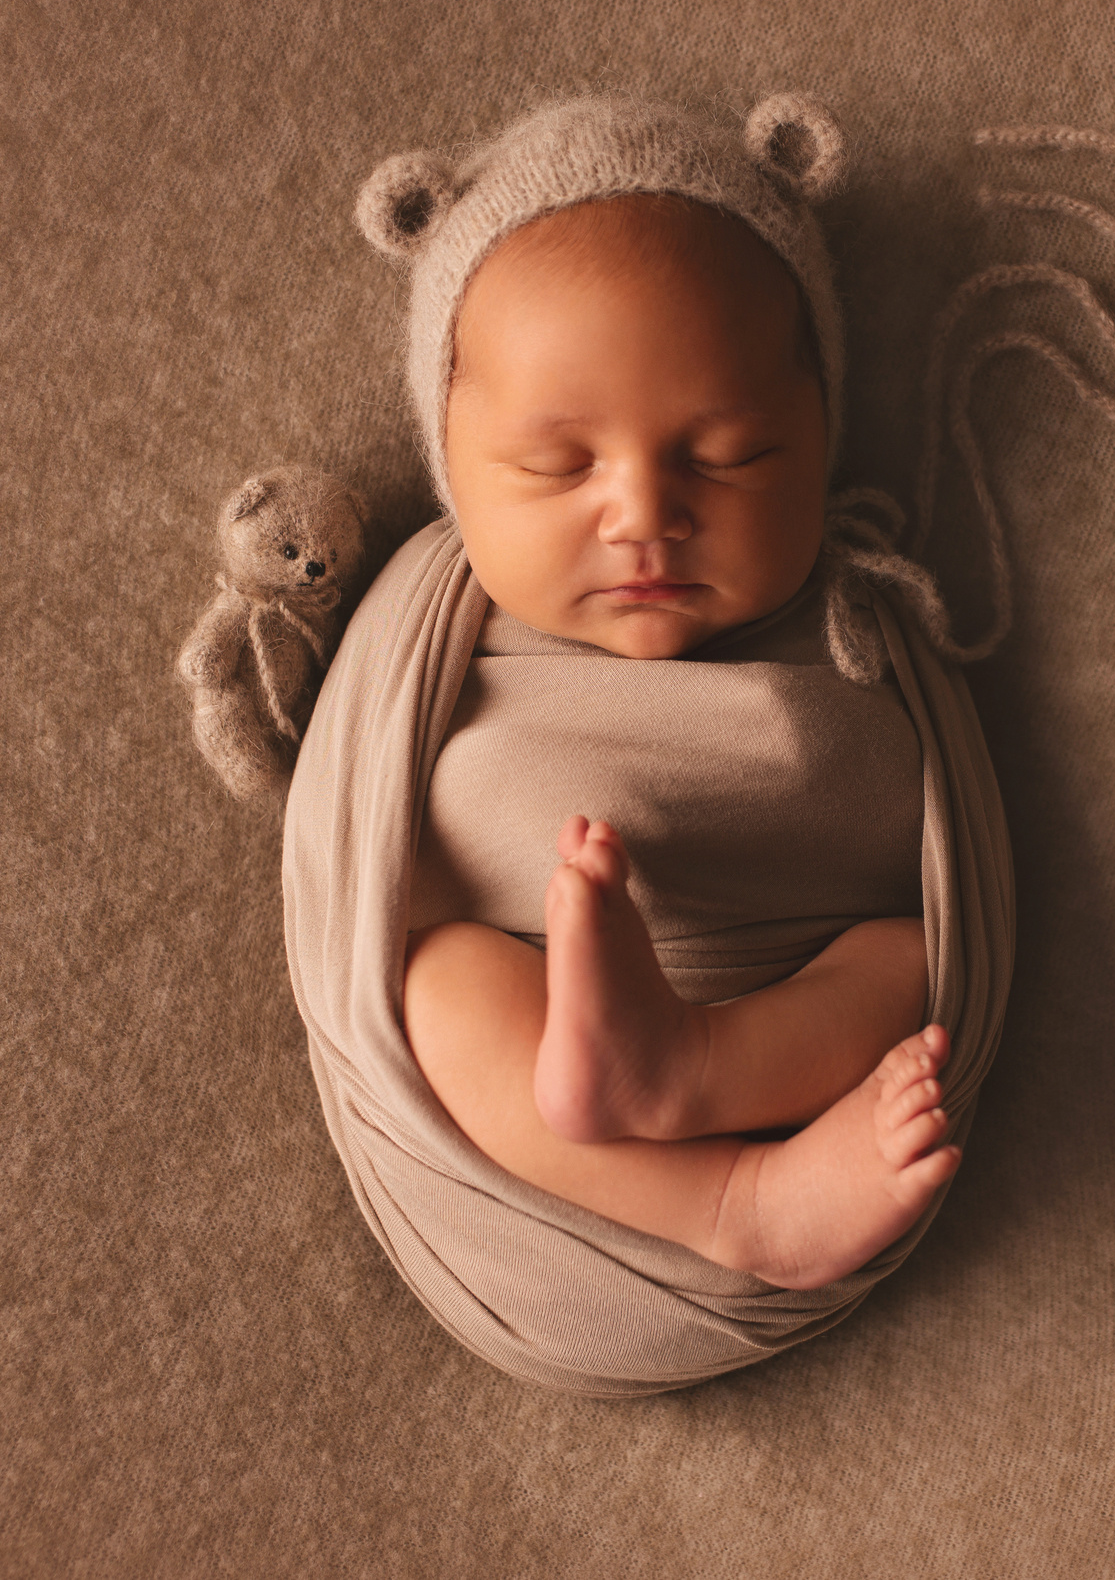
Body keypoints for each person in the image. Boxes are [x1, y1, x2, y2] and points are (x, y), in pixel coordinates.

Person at [392, 181, 962, 1293]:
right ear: (451, 474)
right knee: (438, 985)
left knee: (920, 954)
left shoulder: (857, 626)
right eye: (558, 467)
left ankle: (693, 1069)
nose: (645, 515)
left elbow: (941, 854)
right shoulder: (425, 639)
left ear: (819, 442)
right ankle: (732, 1202)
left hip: (791, 1044)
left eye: (730, 454)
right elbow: (347, 860)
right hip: (545, 1118)